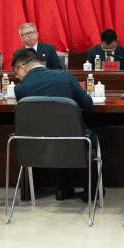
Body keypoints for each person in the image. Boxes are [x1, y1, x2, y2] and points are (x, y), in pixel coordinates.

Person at [11, 46, 95, 201]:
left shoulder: (20, 89)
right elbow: (88, 104)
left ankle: (62, 188)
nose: (17, 77)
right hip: (72, 139)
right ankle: (91, 190)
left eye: (16, 72)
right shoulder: (65, 76)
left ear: (21, 67)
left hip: (38, 143)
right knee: (84, 133)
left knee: (55, 132)